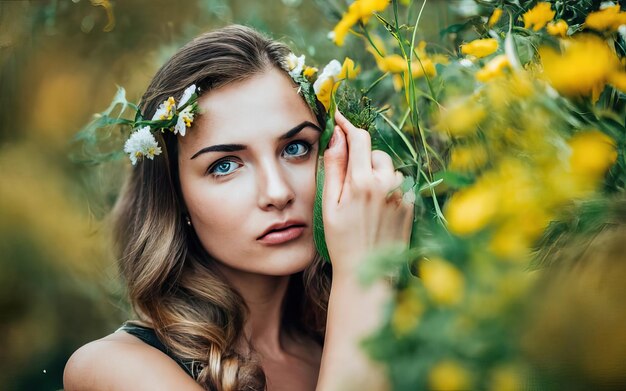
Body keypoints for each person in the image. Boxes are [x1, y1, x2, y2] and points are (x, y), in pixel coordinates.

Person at [63, 24, 413, 391]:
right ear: (175, 196)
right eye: (225, 165)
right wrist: (366, 271)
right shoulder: (112, 368)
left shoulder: (379, 330)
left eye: (295, 148)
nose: (277, 192)